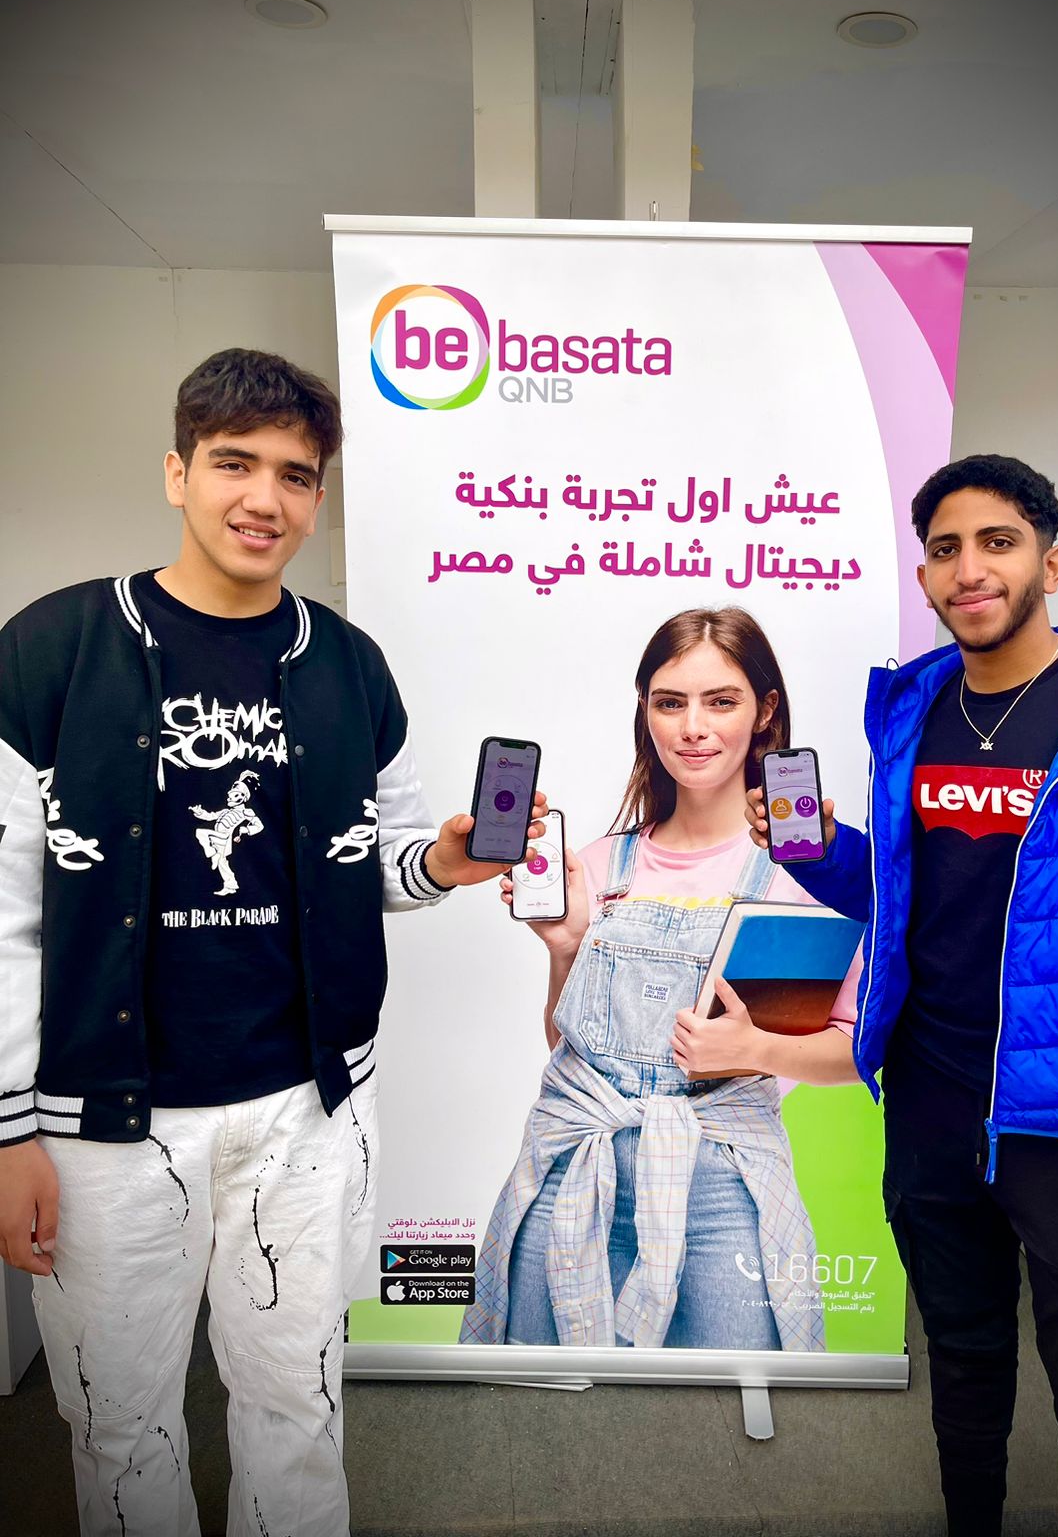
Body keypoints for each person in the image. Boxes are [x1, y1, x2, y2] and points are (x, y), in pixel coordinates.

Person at [0, 348, 544, 1537]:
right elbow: (5, 911)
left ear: (318, 496)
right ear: (177, 472)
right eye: (233, 463)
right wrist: (7, 1130)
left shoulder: (348, 665)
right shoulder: (50, 649)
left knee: (298, 1402)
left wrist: (448, 859)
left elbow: (379, 863)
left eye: (296, 476)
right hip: (103, 1121)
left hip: (308, 1107)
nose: (264, 499)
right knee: (119, 1423)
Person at [750, 454, 1058, 1536]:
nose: (970, 569)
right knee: (962, 1365)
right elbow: (910, 894)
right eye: (946, 549)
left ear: (1053, 561)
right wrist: (815, 852)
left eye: (997, 542)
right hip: (933, 1099)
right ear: (926, 575)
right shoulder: (913, 710)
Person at [462, 607, 862, 1352]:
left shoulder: (809, 877)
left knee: (741, 1404)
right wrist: (565, 946)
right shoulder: (599, 862)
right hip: (573, 1168)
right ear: (645, 712)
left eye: (721, 701)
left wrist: (754, 1050)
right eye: (670, 703)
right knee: (543, 1403)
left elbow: (855, 1052)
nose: (693, 728)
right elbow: (566, 1046)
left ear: (765, 712)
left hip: (723, 1189)